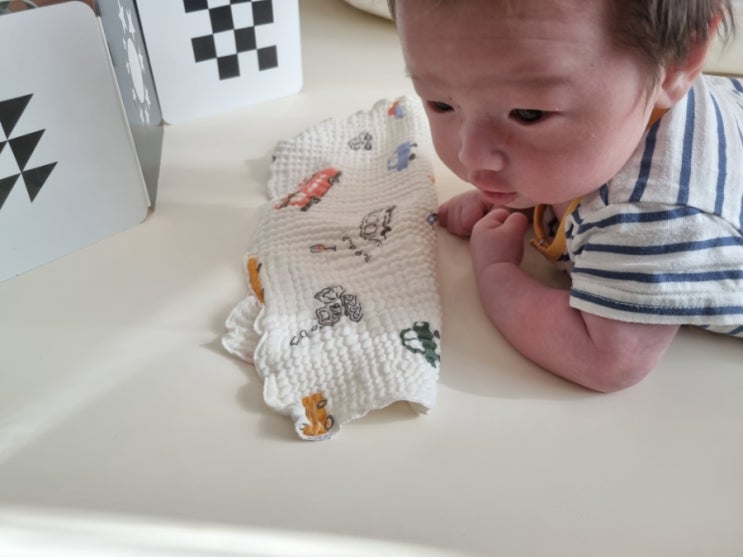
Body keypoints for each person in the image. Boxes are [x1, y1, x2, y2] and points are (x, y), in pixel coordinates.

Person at [389, 0, 742, 392]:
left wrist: (497, 273)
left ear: (677, 62)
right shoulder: (616, 120)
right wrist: (510, 200)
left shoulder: (654, 213)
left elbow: (609, 359)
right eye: (441, 103)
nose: (472, 156)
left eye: (528, 114)